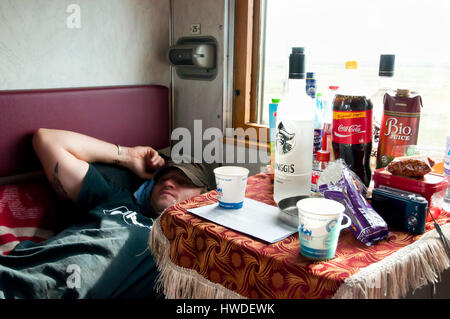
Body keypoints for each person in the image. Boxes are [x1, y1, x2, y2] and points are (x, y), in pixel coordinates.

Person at [0, 128, 216, 299]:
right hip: (15, 276)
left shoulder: (188, 248)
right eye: (163, 178)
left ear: (205, 194)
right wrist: (127, 155)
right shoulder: (118, 200)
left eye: (183, 181)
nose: (169, 182)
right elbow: (46, 139)